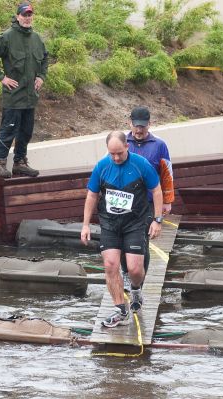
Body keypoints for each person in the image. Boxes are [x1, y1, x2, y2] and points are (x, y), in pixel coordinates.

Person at [81, 131, 163, 328]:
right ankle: (120, 309)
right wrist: (85, 224)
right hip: (110, 223)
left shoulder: (140, 164)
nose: (116, 158)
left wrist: (157, 220)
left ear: (127, 146)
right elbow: (92, 195)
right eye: (112, 154)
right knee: (110, 265)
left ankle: (135, 289)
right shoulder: (102, 166)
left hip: (135, 222)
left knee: (135, 268)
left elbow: (157, 190)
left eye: (119, 153)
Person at [0, 2, 48, 178]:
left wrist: (41, 76)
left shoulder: (37, 38)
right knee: (8, 129)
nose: (27, 18)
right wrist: (2, 78)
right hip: (13, 95)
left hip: (30, 96)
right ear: (18, 16)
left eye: (29, 15)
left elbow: (45, 58)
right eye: (24, 15)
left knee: (26, 131)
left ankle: (19, 163)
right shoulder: (8, 37)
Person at [120, 106, 174, 291]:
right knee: (121, 238)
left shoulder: (159, 145)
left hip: (148, 202)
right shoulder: (122, 142)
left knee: (142, 240)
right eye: (136, 126)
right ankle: (126, 274)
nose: (139, 130)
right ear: (130, 124)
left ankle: (139, 282)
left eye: (143, 126)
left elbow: (167, 174)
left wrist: (167, 200)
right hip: (125, 200)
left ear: (149, 124)